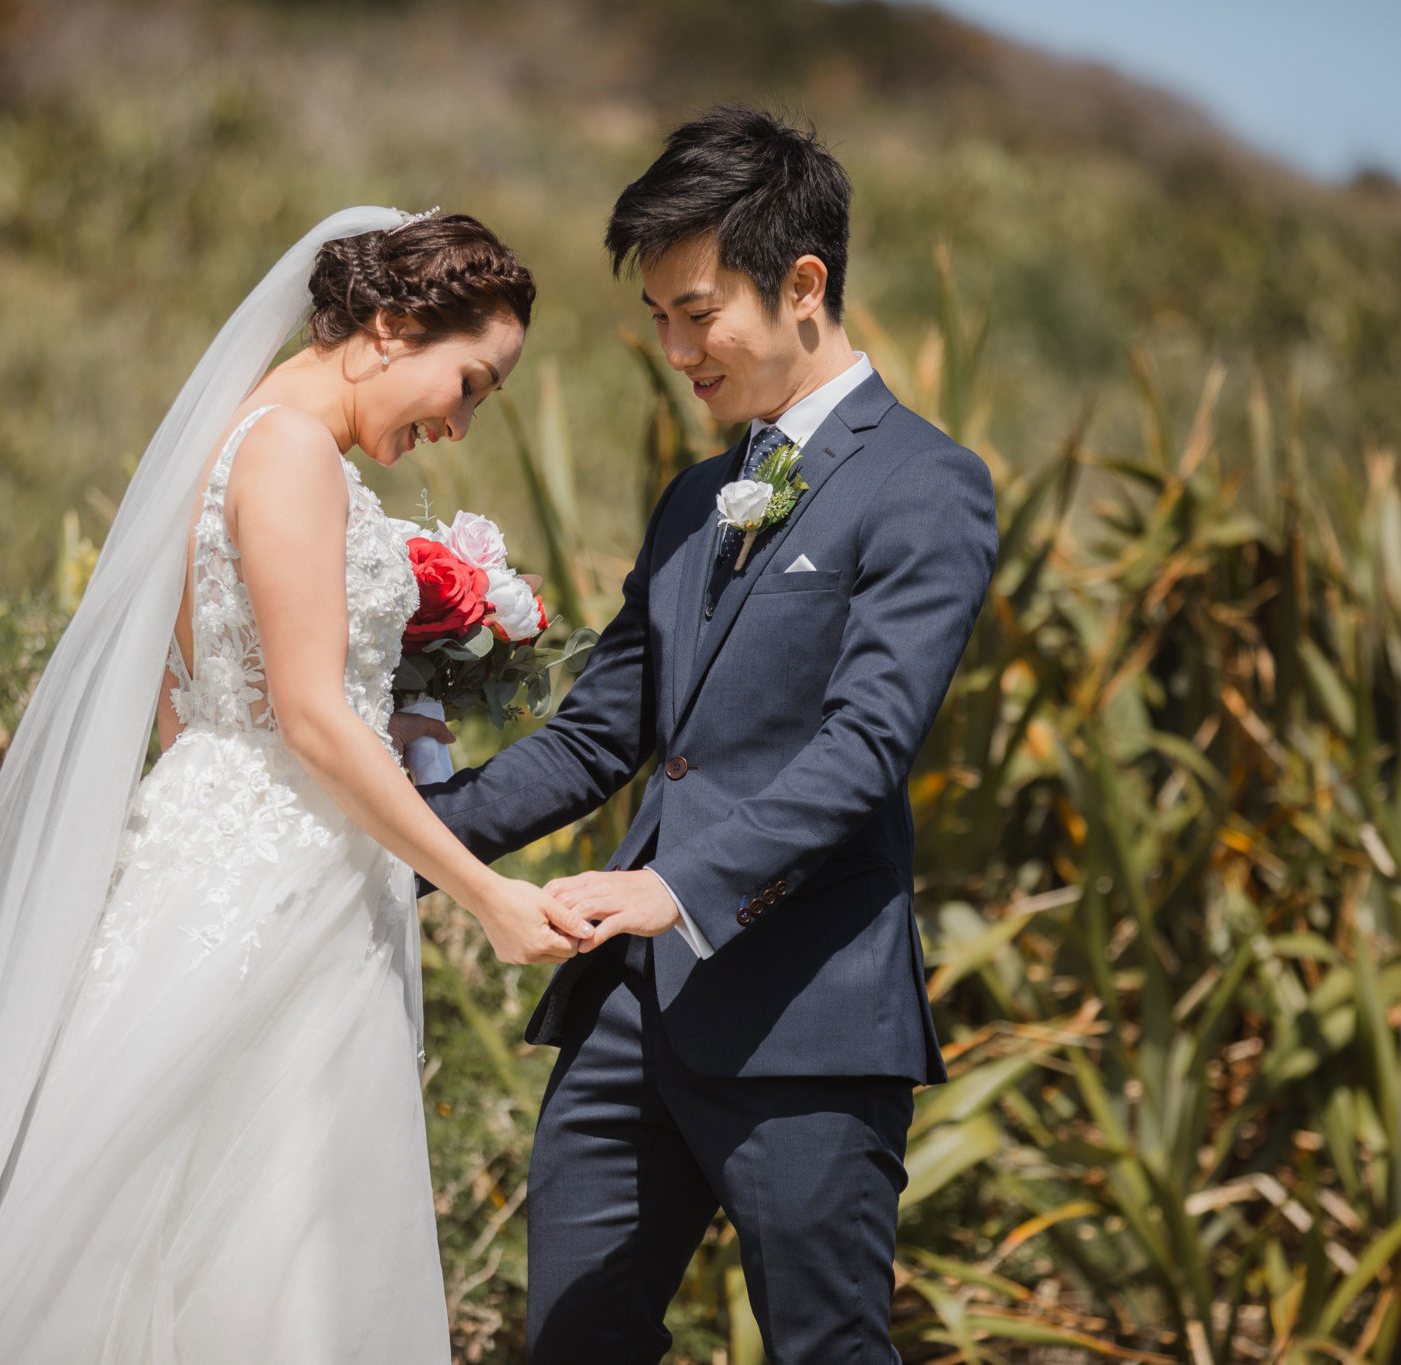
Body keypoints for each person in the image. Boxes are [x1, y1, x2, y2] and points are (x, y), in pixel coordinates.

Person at [0, 208, 586, 1364]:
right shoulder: (289, 452)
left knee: (186, 1220)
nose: (459, 424)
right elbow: (314, 720)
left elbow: (192, 699)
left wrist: (387, 720)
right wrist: (488, 894)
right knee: (260, 1237)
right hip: (268, 891)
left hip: (226, 852)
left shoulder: (240, 434)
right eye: (467, 383)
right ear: (386, 326)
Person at [417, 109, 999, 1364]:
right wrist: (406, 835)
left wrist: (667, 886)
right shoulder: (697, 493)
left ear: (803, 285)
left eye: (698, 312)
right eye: (659, 318)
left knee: (824, 1350)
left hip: (807, 1018)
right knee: (573, 1342)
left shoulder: (926, 485)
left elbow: (864, 748)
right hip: (626, 1017)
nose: (675, 349)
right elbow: (597, 737)